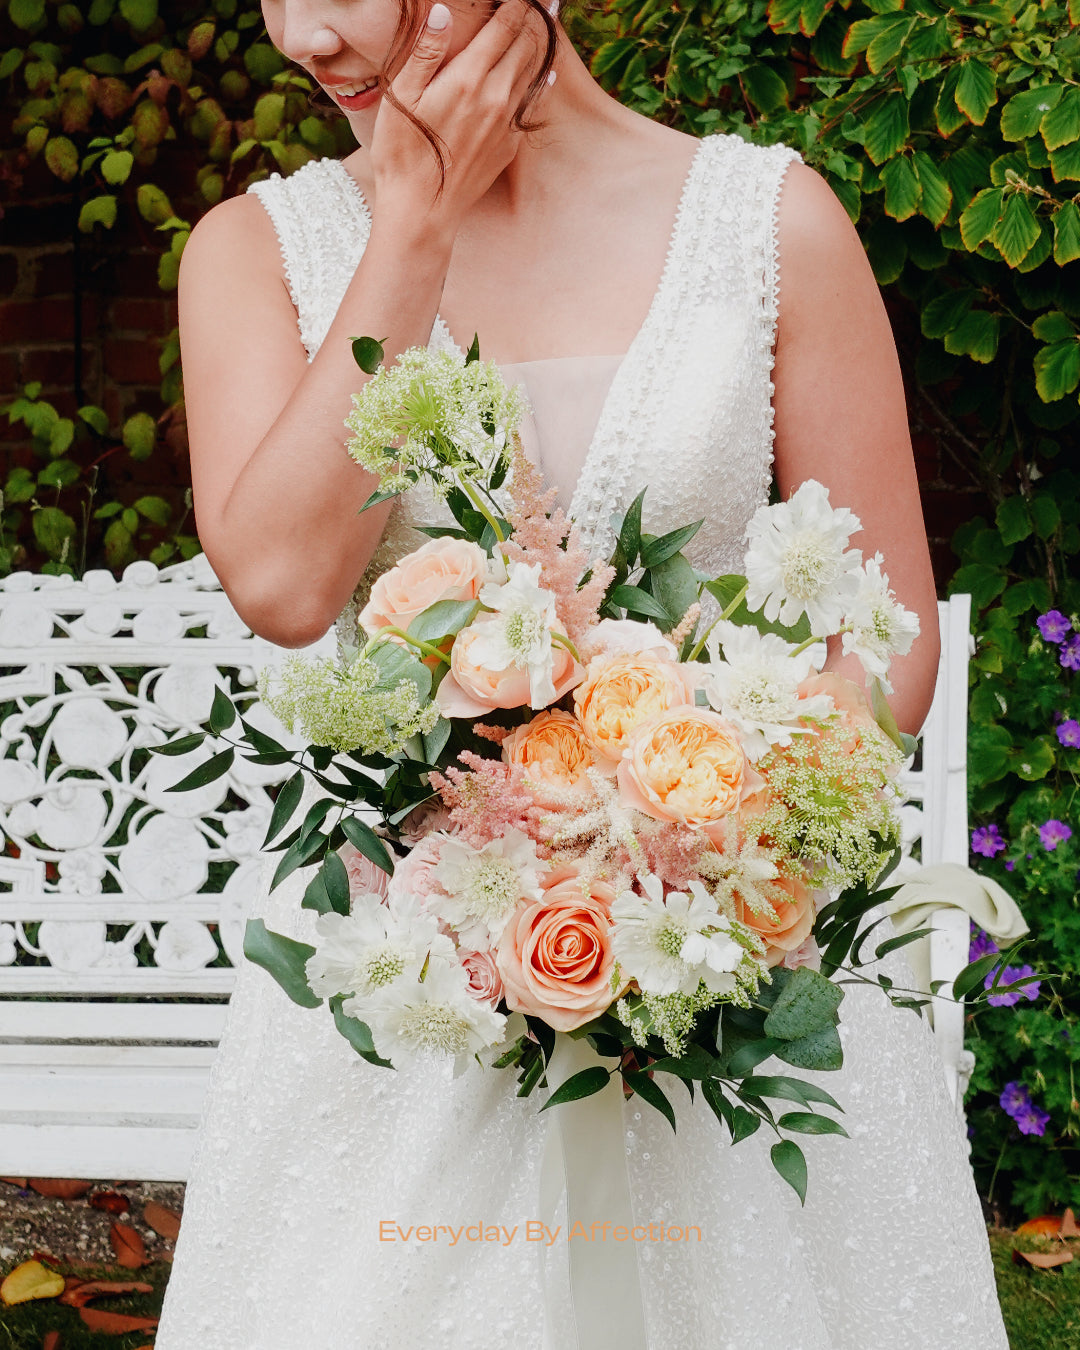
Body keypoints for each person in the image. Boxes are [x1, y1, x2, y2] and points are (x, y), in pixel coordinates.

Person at [156, 0, 1009, 1345]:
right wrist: (412, 234)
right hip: (408, 998)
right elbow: (282, 581)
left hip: (728, 964)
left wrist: (713, 842)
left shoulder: (768, 223)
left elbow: (884, 630)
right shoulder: (256, 254)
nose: (304, 34)